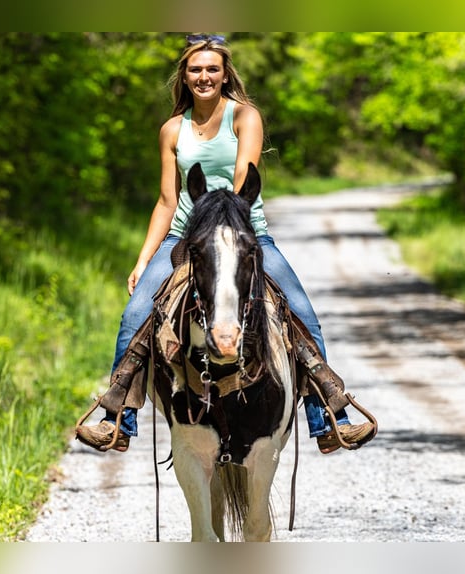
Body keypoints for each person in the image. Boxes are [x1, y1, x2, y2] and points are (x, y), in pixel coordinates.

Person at [76, 34, 375, 455]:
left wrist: (228, 228)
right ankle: (116, 420)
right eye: (195, 69)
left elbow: (242, 181)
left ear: (224, 74)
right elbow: (167, 200)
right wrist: (144, 259)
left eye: (212, 69)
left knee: (302, 312)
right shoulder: (171, 130)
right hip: (185, 236)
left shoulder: (244, 117)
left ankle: (328, 418)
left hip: (243, 231)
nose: (204, 76)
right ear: (184, 75)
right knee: (135, 317)